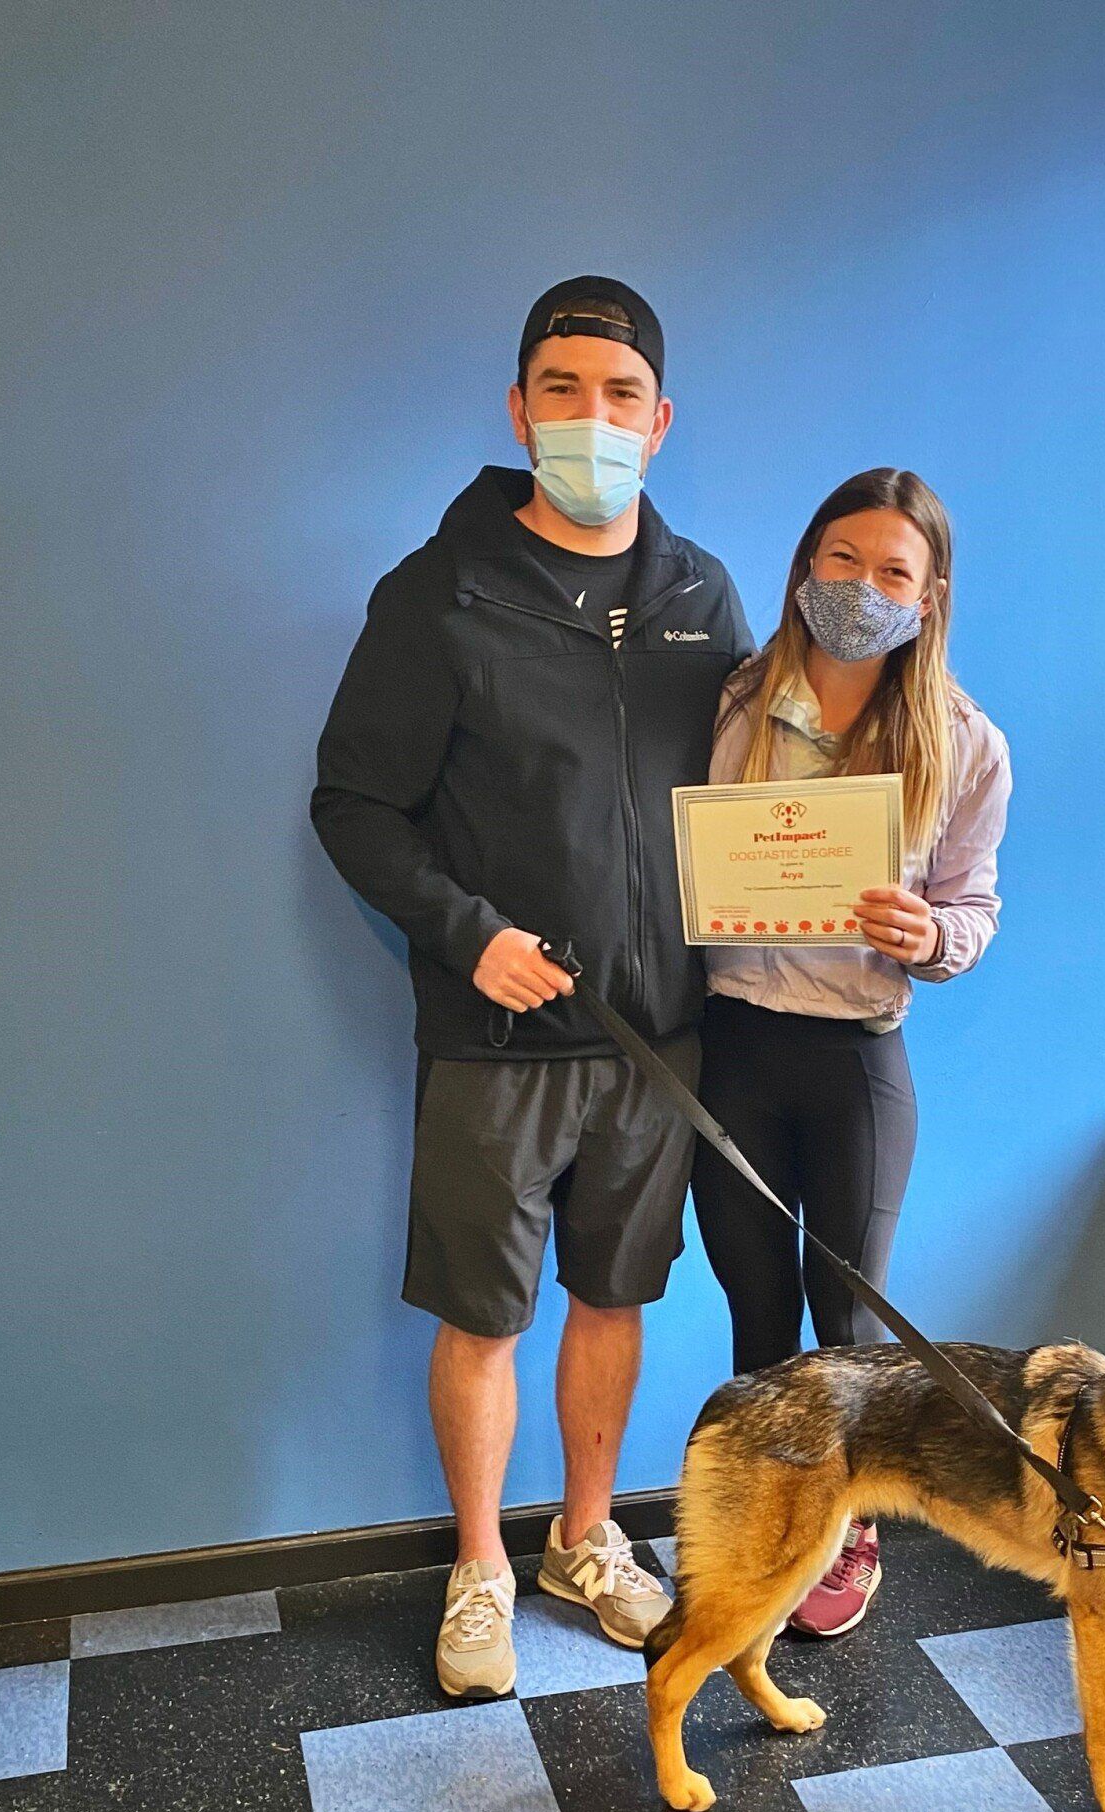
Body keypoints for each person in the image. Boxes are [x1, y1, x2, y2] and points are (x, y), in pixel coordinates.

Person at [312, 277, 752, 1699]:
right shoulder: (439, 592)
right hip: (498, 1039)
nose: (590, 416)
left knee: (615, 1300)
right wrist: (468, 933)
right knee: (486, 1314)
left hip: (657, 1044)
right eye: (561, 389)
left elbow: (753, 800)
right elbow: (354, 805)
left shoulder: (702, 595)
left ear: (662, 421)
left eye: (620, 394)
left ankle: (583, 1539)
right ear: (518, 409)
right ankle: (481, 1569)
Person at [692, 467, 1010, 1637]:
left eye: (893, 573)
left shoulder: (965, 742)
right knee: (754, 1312)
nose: (862, 587)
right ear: (802, 567)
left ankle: (846, 1528)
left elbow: (974, 910)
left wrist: (932, 935)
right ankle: (762, 1521)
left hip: (856, 1065)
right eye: (842, 560)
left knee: (847, 1323)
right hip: (729, 1047)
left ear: (927, 602)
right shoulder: (726, 702)